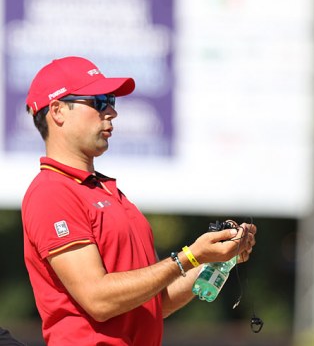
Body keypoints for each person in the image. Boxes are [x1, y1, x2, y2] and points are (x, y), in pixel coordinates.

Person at [21, 56, 257, 345]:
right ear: (57, 111)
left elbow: (154, 305)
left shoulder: (107, 191)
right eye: (98, 101)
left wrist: (215, 259)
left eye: (111, 101)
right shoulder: (52, 191)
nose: (111, 112)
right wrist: (189, 256)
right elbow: (99, 300)